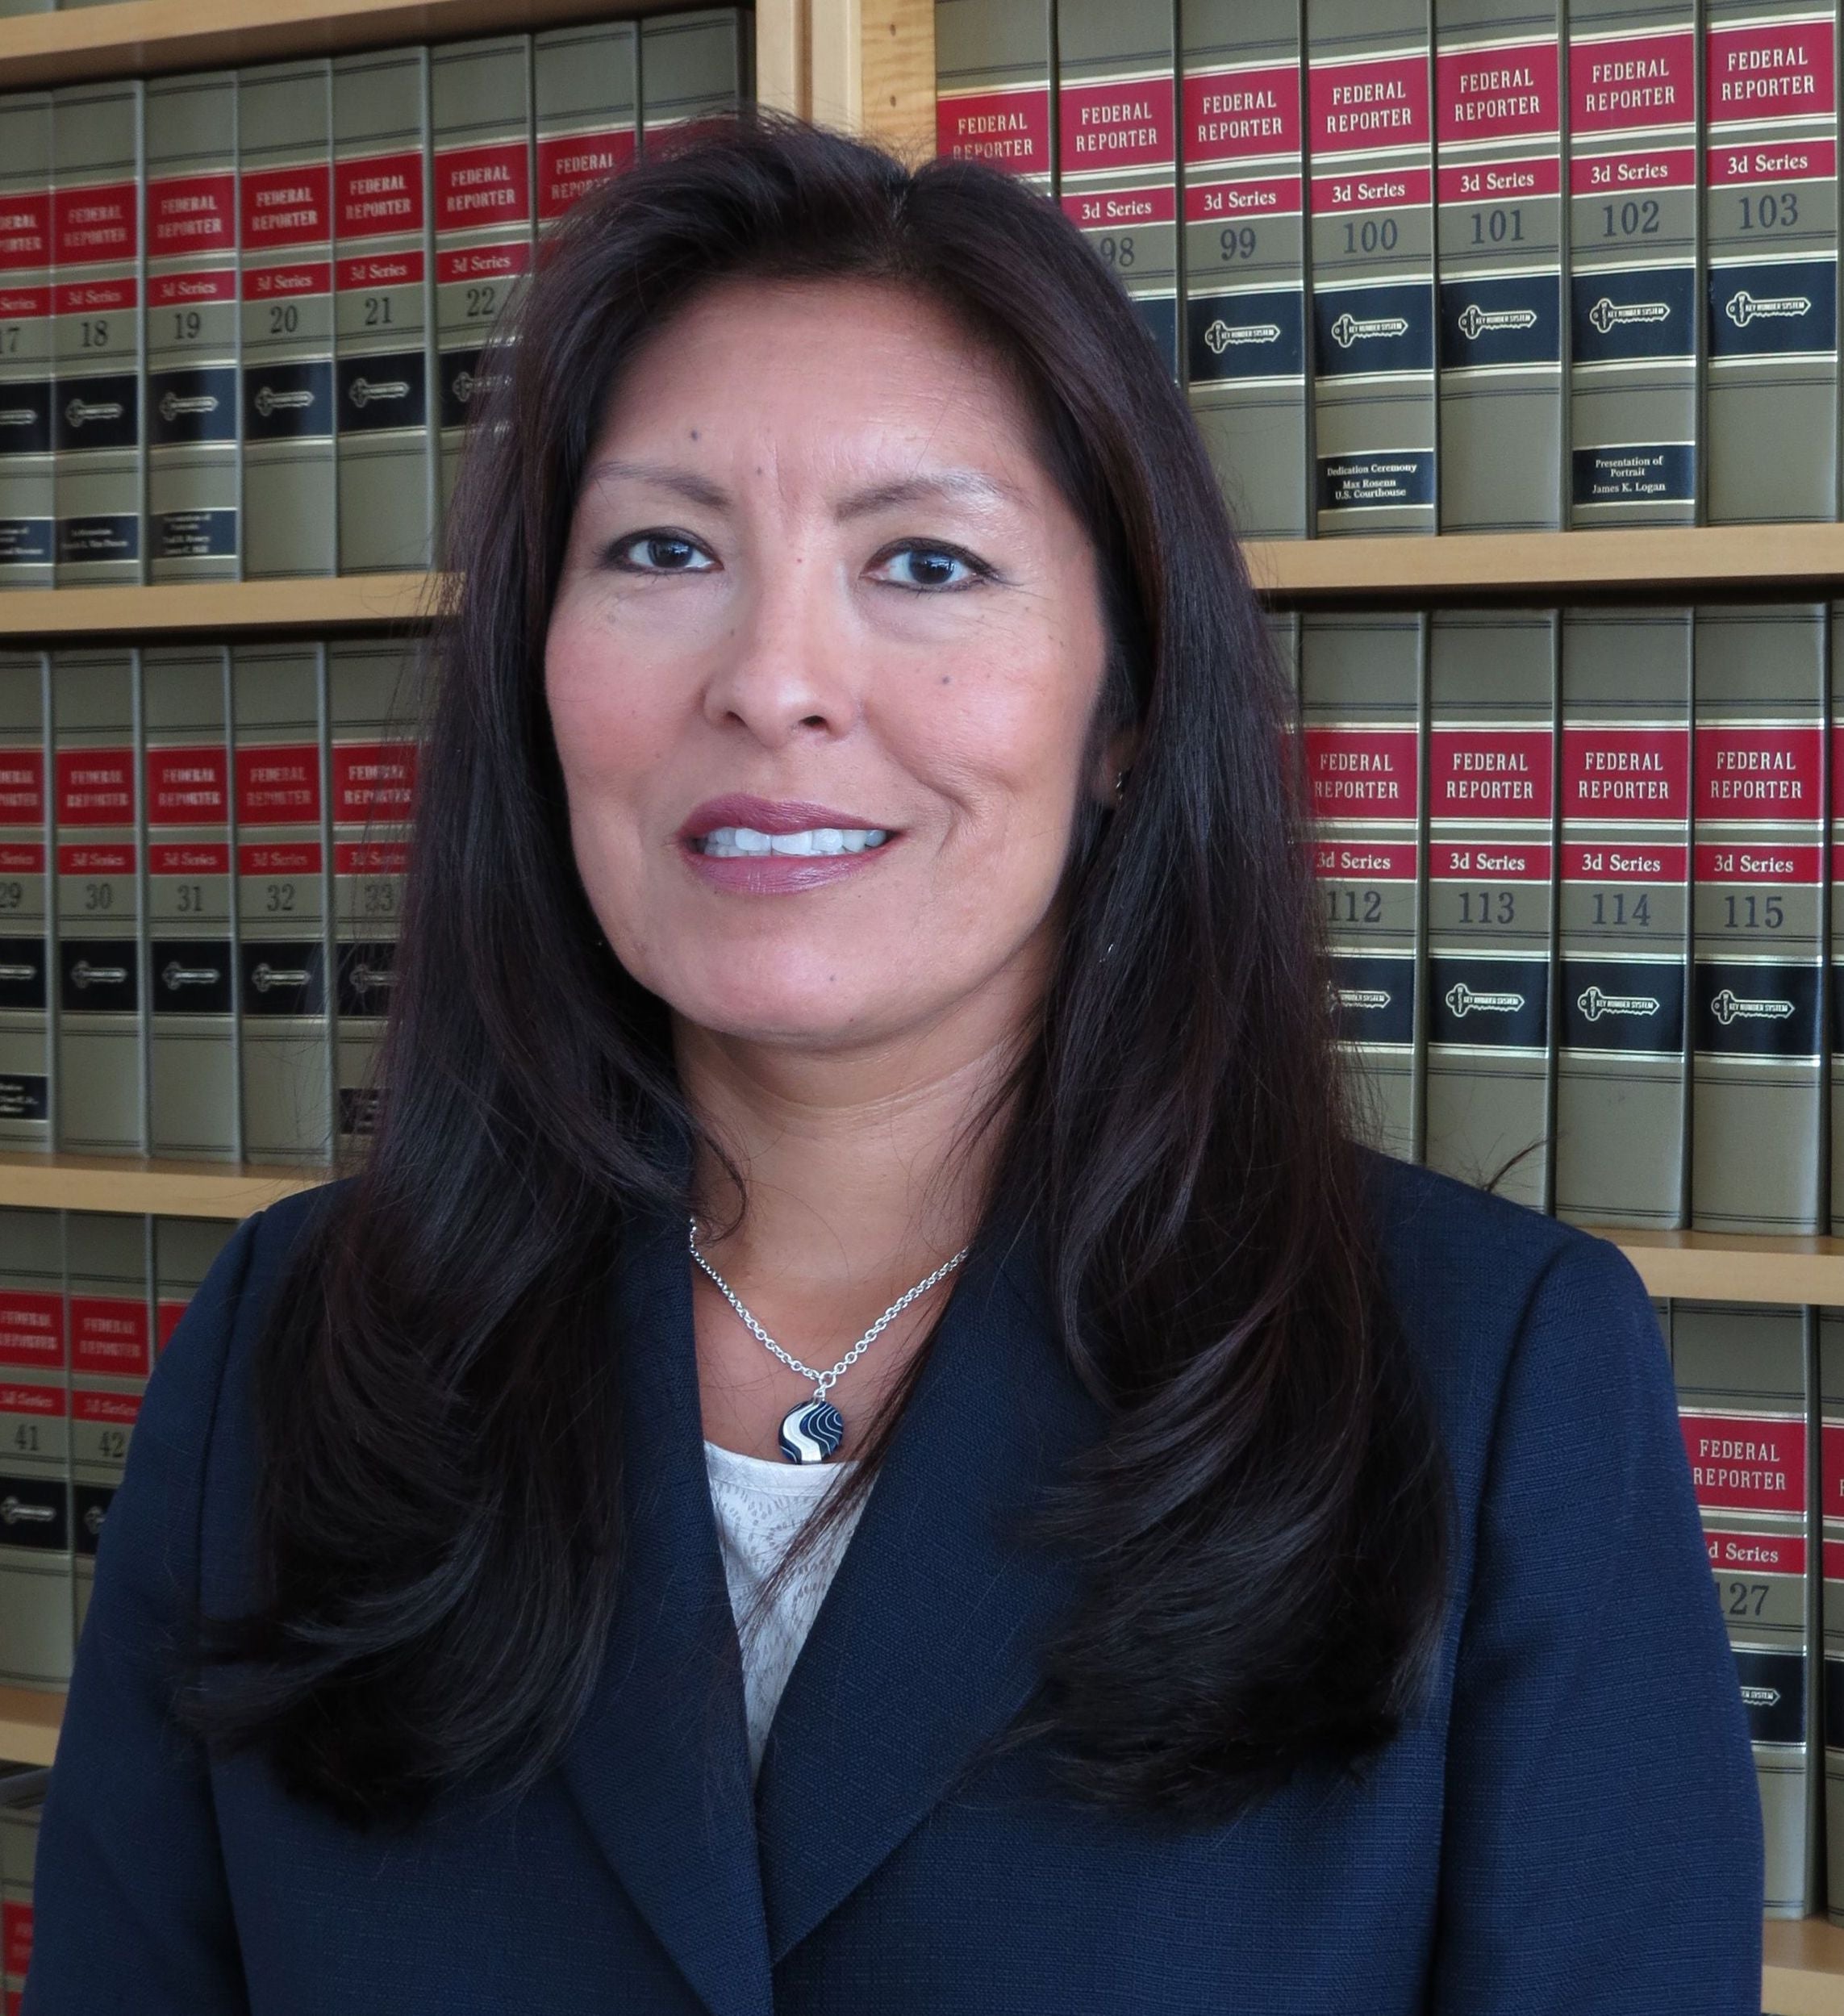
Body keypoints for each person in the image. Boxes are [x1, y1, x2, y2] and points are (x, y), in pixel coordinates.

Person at [23, 115, 1759, 2014]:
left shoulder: (1488, 1380)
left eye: (925, 560)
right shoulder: (287, 1352)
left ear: (1125, 706)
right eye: (663, 548)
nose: (774, 678)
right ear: (538, 674)